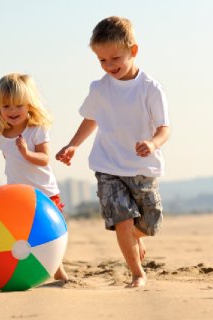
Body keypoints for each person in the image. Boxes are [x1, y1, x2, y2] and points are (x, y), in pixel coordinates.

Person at [56, 16, 170, 288]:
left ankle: (135, 237)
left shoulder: (150, 89)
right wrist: (73, 144)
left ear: (133, 50)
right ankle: (137, 273)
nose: (109, 66)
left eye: (115, 58)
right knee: (122, 220)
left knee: (151, 221)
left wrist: (152, 143)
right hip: (108, 166)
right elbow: (91, 118)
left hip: (142, 168)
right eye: (102, 61)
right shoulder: (100, 88)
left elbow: (165, 128)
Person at [0, 73, 68, 282]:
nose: (12, 111)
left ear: (29, 105)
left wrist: (26, 153)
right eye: (6, 106)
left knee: (50, 234)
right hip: (19, 196)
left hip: (45, 192)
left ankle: (58, 271)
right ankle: (23, 270)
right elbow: (9, 160)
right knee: (23, 236)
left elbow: (44, 159)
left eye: (18, 105)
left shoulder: (36, 130)